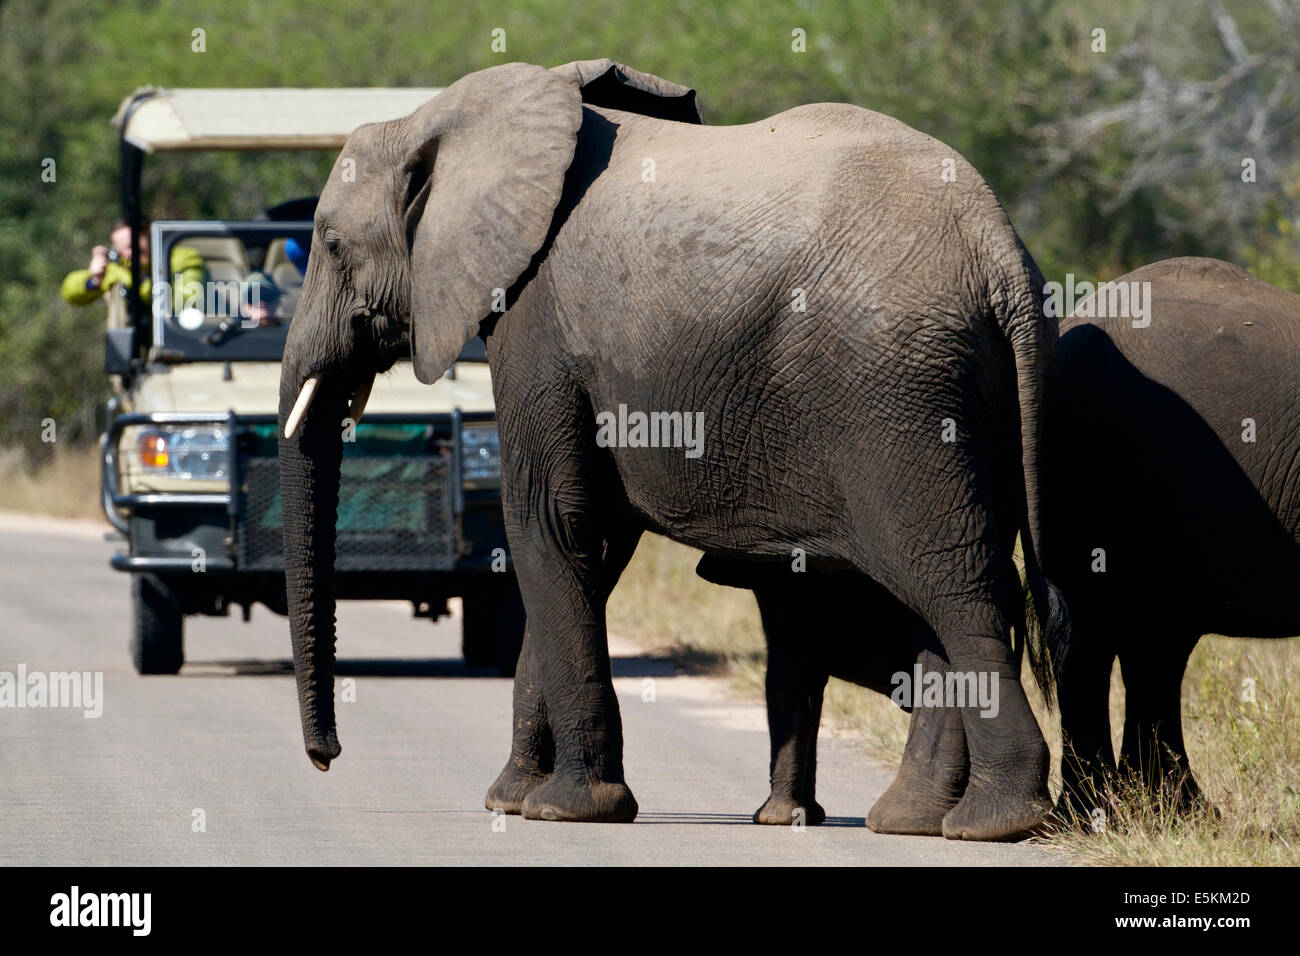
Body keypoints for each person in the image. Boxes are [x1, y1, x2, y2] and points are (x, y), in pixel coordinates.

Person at [61, 217, 207, 313]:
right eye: (120, 249)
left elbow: (186, 302)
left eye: (132, 246)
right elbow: (70, 293)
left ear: (149, 235)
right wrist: (95, 280)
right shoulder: (120, 267)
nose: (128, 254)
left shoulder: (182, 258)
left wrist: (136, 283)